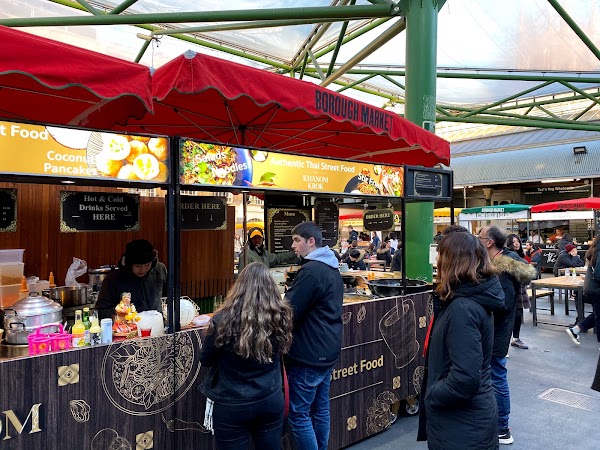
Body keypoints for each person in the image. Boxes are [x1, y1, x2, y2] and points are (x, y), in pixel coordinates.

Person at [417, 232, 504, 449]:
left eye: (441, 256)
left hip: (462, 426)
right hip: (467, 421)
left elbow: (465, 378)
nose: (437, 262)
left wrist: (432, 394)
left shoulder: (462, 309)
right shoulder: (469, 299)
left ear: (453, 262)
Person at [199, 262, 294, 450]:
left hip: (231, 403)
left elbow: (206, 359)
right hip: (270, 398)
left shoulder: (222, 320)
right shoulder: (280, 316)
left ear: (239, 287)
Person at [284, 221, 344, 450]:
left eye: (297, 240)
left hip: (308, 353)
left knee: (299, 414)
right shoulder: (331, 267)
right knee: (320, 409)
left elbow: (289, 311)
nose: (293, 246)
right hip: (327, 351)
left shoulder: (311, 271)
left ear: (311, 241)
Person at [478, 225, 536, 445]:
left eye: (480, 237)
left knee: (497, 375)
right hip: (496, 330)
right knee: (495, 374)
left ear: (490, 242)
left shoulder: (502, 267)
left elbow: (502, 303)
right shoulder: (504, 261)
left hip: (496, 331)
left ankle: (503, 428)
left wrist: (478, 298)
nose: (477, 240)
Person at [96, 239, 167, 320]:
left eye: (147, 265)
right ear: (129, 264)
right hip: (129, 329)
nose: (143, 269)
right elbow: (101, 312)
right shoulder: (113, 280)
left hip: (158, 325)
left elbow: (169, 298)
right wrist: (116, 313)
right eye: (138, 266)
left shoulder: (160, 270)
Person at [566, 235, 600, 347]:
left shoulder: (595, 250)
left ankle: (576, 329)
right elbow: (599, 274)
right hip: (596, 289)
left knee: (598, 313)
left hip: (592, 288)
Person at [506, 234, 531, 350]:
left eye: (518, 242)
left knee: (518, 315)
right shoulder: (507, 256)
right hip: (511, 289)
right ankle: (505, 341)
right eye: (513, 242)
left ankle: (516, 338)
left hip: (520, 289)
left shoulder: (521, 256)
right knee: (510, 316)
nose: (516, 244)